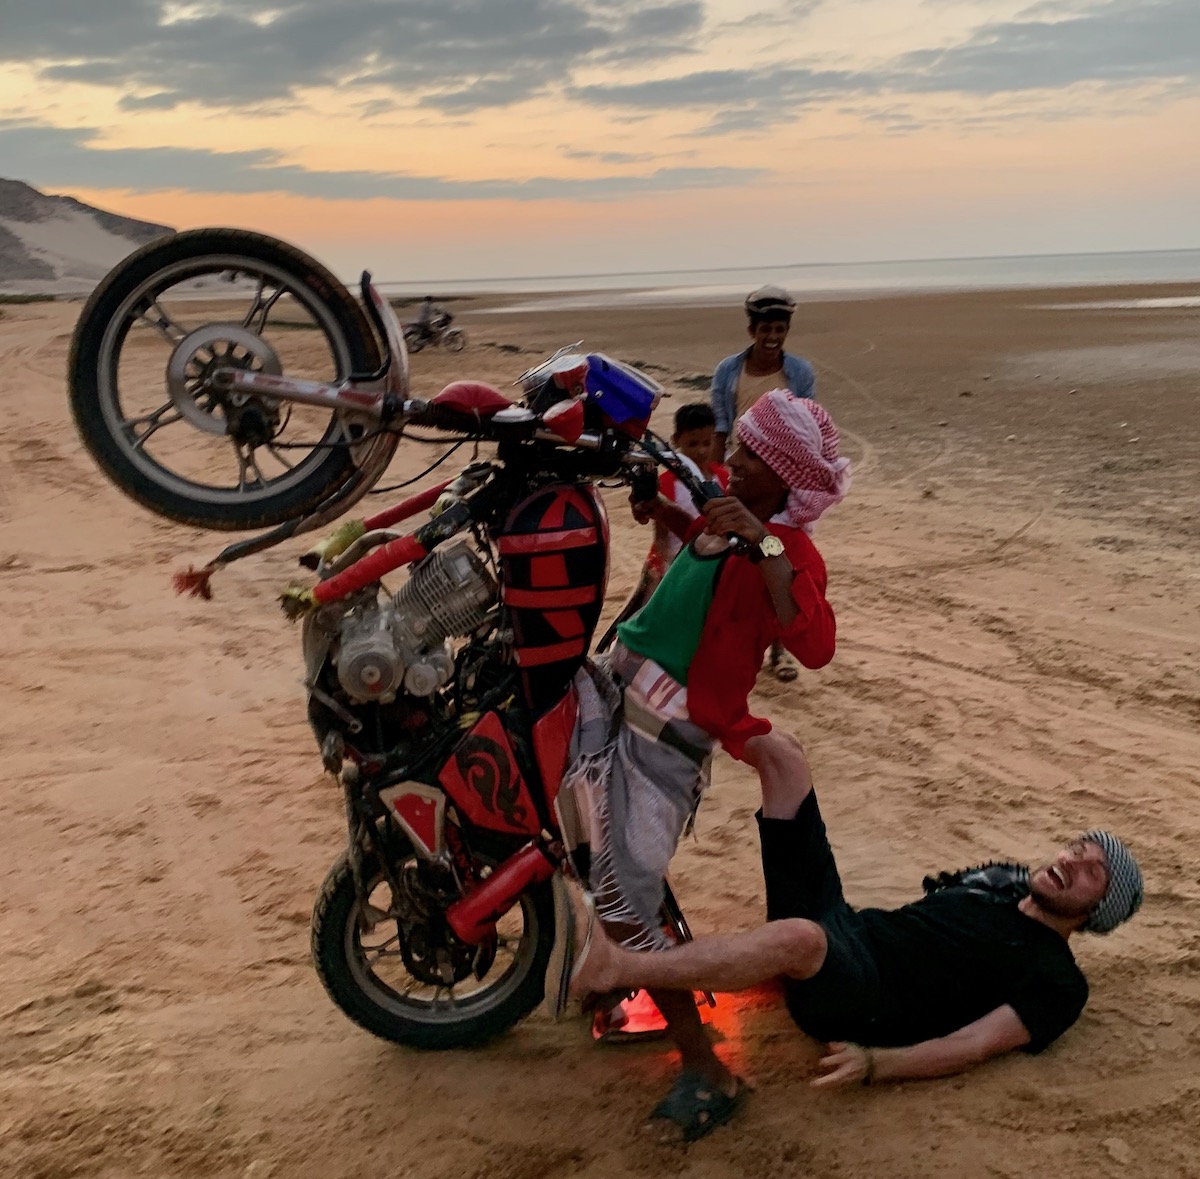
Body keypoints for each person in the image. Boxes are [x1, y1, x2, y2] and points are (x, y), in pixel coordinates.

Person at [557, 731, 1144, 1142]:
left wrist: (876, 1065)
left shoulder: (1057, 979)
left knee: (800, 941)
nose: (1073, 860)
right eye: (1078, 848)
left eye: (1093, 872)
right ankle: (630, 758)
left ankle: (618, 968)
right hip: (851, 928)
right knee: (784, 757)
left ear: (1098, 912)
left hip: (867, 1000)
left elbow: (977, 1044)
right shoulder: (1000, 880)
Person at [554, 390, 850, 1135]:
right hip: (618, 690)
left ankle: (705, 1065)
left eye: (750, 454)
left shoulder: (787, 549)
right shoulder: (718, 513)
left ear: (781, 476)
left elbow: (814, 644)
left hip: (668, 735)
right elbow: (684, 554)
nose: (732, 459)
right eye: (734, 445)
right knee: (589, 846)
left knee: (624, 892)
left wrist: (767, 542)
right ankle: (634, 976)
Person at [710, 285, 816, 683]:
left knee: (776, 556)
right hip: (740, 476)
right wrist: (714, 475)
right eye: (765, 329)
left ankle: (779, 650)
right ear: (751, 329)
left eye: (779, 329)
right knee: (730, 556)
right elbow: (723, 425)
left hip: (780, 484)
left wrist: (804, 484)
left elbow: (806, 431)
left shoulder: (800, 373)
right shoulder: (728, 371)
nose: (772, 337)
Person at [597, 403, 729, 650]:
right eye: (692, 444)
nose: (701, 451)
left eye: (706, 443)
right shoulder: (667, 483)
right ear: (676, 440)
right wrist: (666, 572)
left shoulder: (723, 478)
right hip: (672, 564)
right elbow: (661, 537)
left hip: (707, 565)